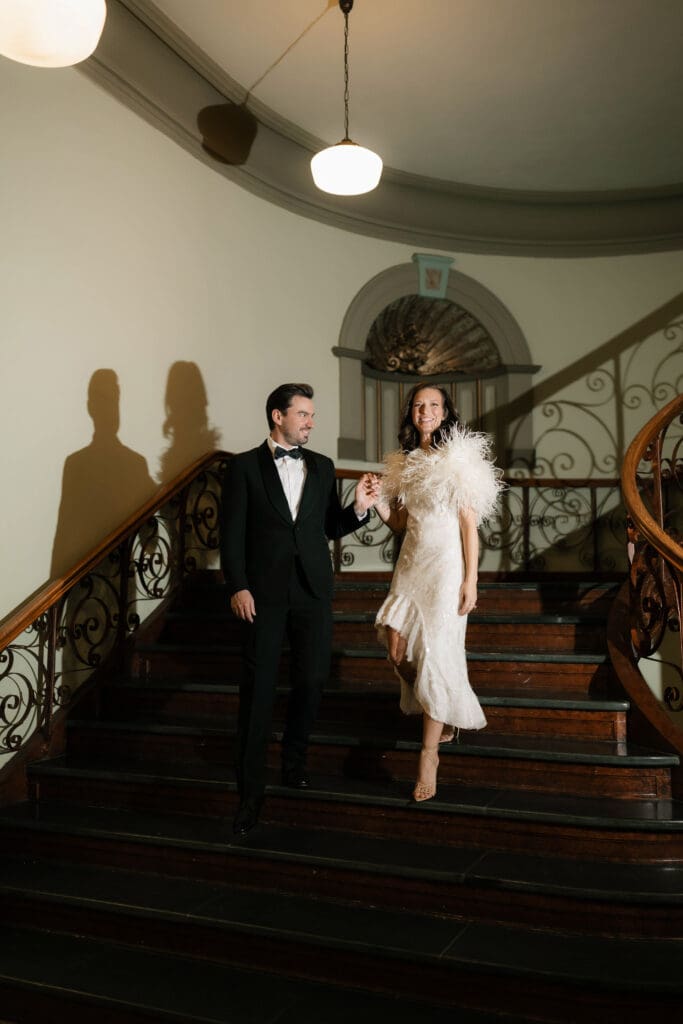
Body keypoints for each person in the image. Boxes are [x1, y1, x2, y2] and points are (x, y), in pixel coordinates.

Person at [221, 383, 379, 835]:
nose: (311, 422)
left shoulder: (323, 467)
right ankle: (250, 795)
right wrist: (238, 586)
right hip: (262, 596)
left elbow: (328, 526)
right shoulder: (244, 467)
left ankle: (294, 763)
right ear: (278, 416)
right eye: (304, 414)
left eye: (312, 415)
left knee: (311, 680)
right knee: (259, 692)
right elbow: (231, 535)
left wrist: (359, 509)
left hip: (312, 591)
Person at [373, 384, 503, 803]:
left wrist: (471, 580)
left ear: (446, 412)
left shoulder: (458, 459)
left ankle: (428, 756)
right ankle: (441, 714)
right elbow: (400, 523)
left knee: (435, 656)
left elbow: (469, 526)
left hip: (447, 569)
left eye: (433, 405)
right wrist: (378, 503)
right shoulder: (406, 462)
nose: (425, 411)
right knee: (396, 649)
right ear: (410, 413)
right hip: (411, 566)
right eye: (418, 405)